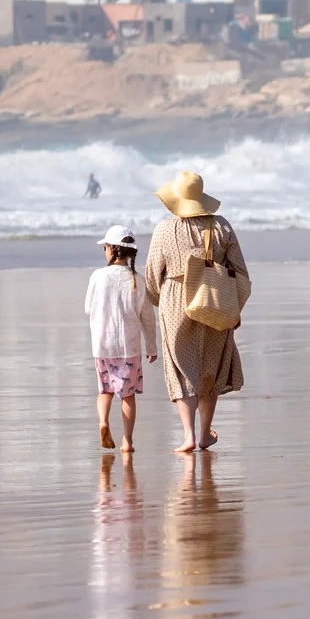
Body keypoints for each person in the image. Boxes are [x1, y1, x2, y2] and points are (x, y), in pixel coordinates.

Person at [145, 171, 252, 455]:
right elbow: (240, 272)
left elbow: (153, 277)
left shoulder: (164, 230)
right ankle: (205, 434)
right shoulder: (221, 227)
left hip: (175, 300)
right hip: (215, 299)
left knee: (181, 369)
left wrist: (163, 301)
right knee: (209, 368)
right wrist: (234, 308)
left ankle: (189, 435)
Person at [85, 225, 157, 453]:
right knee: (127, 396)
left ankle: (103, 422)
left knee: (104, 391)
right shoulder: (137, 279)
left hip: (102, 345)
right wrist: (152, 346)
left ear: (111, 250)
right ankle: (127, 442)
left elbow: (88, 307)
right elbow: (147, 316)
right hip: (129, 347)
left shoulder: (97, 276)